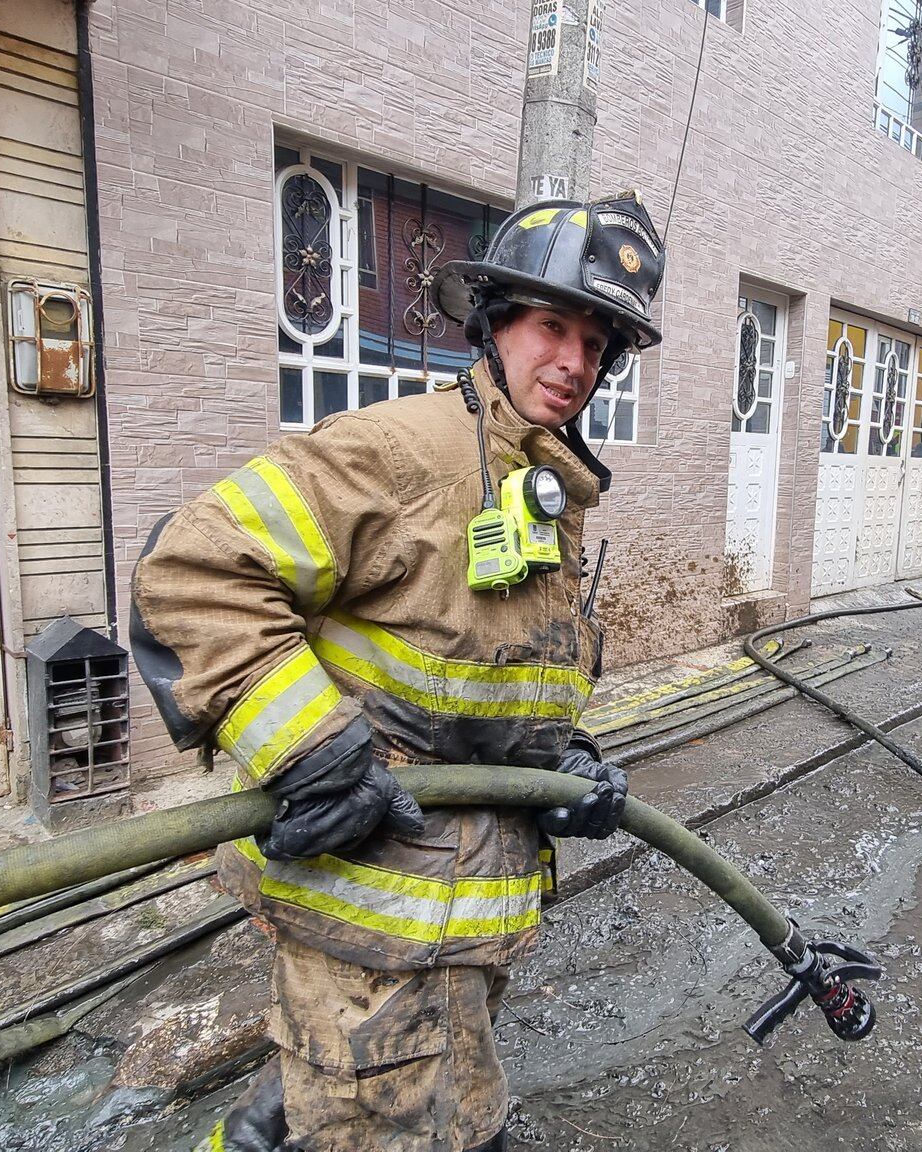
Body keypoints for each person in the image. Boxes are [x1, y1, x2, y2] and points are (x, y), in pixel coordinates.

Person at [131, 195, 667, 1152]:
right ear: (495, 324)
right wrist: (308, 751)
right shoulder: (404, 453)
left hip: (453, 921)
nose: (573, 363)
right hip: (370, 920)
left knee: (328, 1106)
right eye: (552, 326)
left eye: (597, 342)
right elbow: (194, 569)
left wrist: (563, 769)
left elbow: (482, 675)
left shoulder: (540, 482)